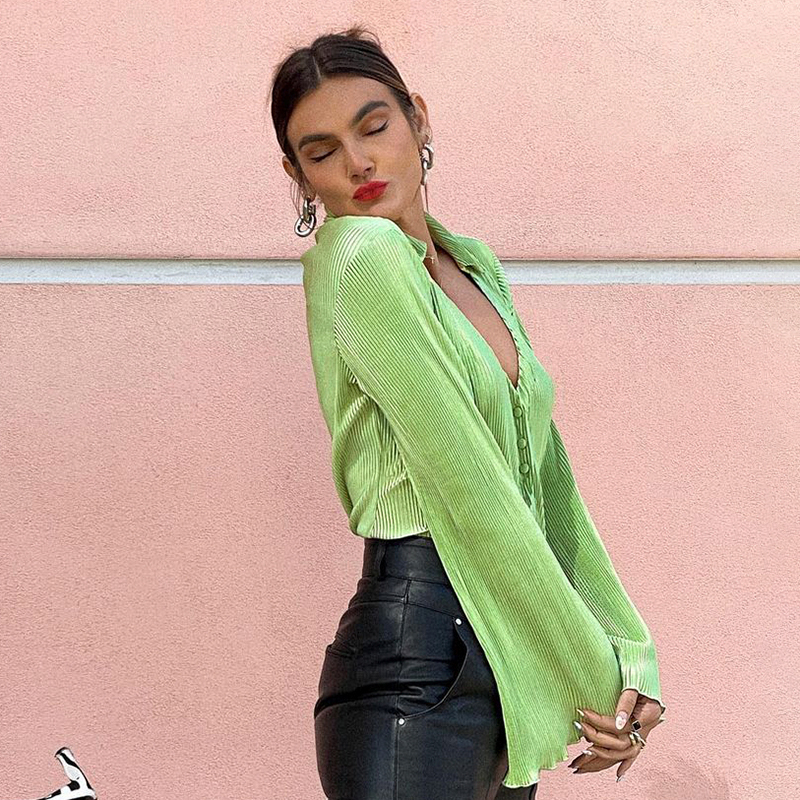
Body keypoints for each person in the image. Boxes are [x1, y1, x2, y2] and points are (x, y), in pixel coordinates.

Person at [269, 25, 666, 800]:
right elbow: (469, 484)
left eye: (374, 126)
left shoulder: (472, 265)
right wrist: (597, 669)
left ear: (418, 119)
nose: (358, 162)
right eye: (321, 151)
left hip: (502, 655)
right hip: (416, 661)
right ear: (299, 175)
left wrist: (633, 656)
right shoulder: (362, 257)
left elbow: (546, 487)